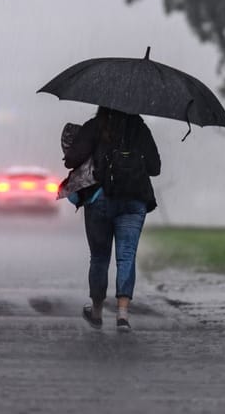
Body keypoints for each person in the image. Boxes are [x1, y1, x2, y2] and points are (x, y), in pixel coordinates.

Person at [63, 106, 161, 332]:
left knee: (99, 257)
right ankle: (123, 315)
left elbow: (71, 161)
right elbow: (155, 168)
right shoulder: (139, 128)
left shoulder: (95, 126)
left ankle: (97, 311)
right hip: (134, 200)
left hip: (100, 199)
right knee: (126, 257)